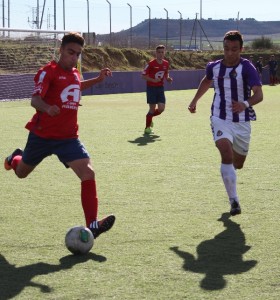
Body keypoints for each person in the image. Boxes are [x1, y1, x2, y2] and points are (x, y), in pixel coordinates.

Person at [4, 32, 115, 239]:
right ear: (61, 49)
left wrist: (98, 79)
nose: (73, 57)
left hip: (68, 138)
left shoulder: (74, 72)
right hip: (42, 136)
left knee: (88, 173)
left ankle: (92, 225)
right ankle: (14, 158)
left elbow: (76, 86)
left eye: (78, 54)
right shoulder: (48, 72)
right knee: (21, 173)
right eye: (70, 52)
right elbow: (35, 100)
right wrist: (47, 108)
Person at [188, 30, 263, 216]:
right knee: (225, 152)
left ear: (241, 49)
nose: (230, 53)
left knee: (238, 163)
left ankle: (232, 174)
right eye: (227, 49)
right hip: (219, 117)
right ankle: (234, 201)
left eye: (234, 49)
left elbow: (259, 95)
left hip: (242, 121)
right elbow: (207, 81)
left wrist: (244, 104)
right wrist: (194, 100)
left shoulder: (247, 68)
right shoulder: (214, 67)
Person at [142, 45, 173, 134]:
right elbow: (143, 76)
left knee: (161, 109)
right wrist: (153, 80)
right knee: (152, 109)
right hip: (151, 88)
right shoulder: (151, 64)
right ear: (156, 53)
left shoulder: (166, 63)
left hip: (160, 88)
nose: (160, 54)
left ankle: (150, 118)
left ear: (164, 53)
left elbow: (166, 73)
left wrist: (168, 78)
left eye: (162, 52)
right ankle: (147, 128)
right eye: (159, 52)